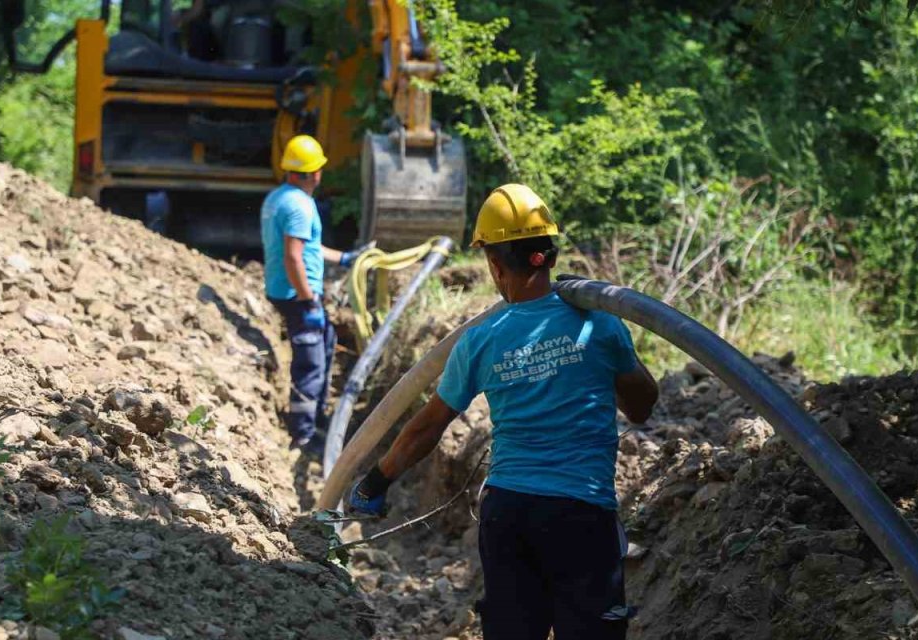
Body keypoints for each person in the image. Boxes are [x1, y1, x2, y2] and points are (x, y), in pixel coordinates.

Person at [346, 184, 660, 639]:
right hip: (582, 515)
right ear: (549, 255)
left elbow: (426, 428)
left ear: (494, 264)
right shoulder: (600, 325)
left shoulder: (480, 340)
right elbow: (642, 405)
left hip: (510, 515)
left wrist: (376, 480)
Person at [261, 134, 365, 454]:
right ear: (311, 173)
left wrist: (344, 258)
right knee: (311, 362)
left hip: (284, 290)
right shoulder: (300, 206)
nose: (321, 174)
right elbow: (294, 256)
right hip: (296, 295)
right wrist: (308, 300)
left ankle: (317, 419)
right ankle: (304, 435)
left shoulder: (278, 198)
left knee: (327, 342)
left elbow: (306, 246)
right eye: (318, 168)